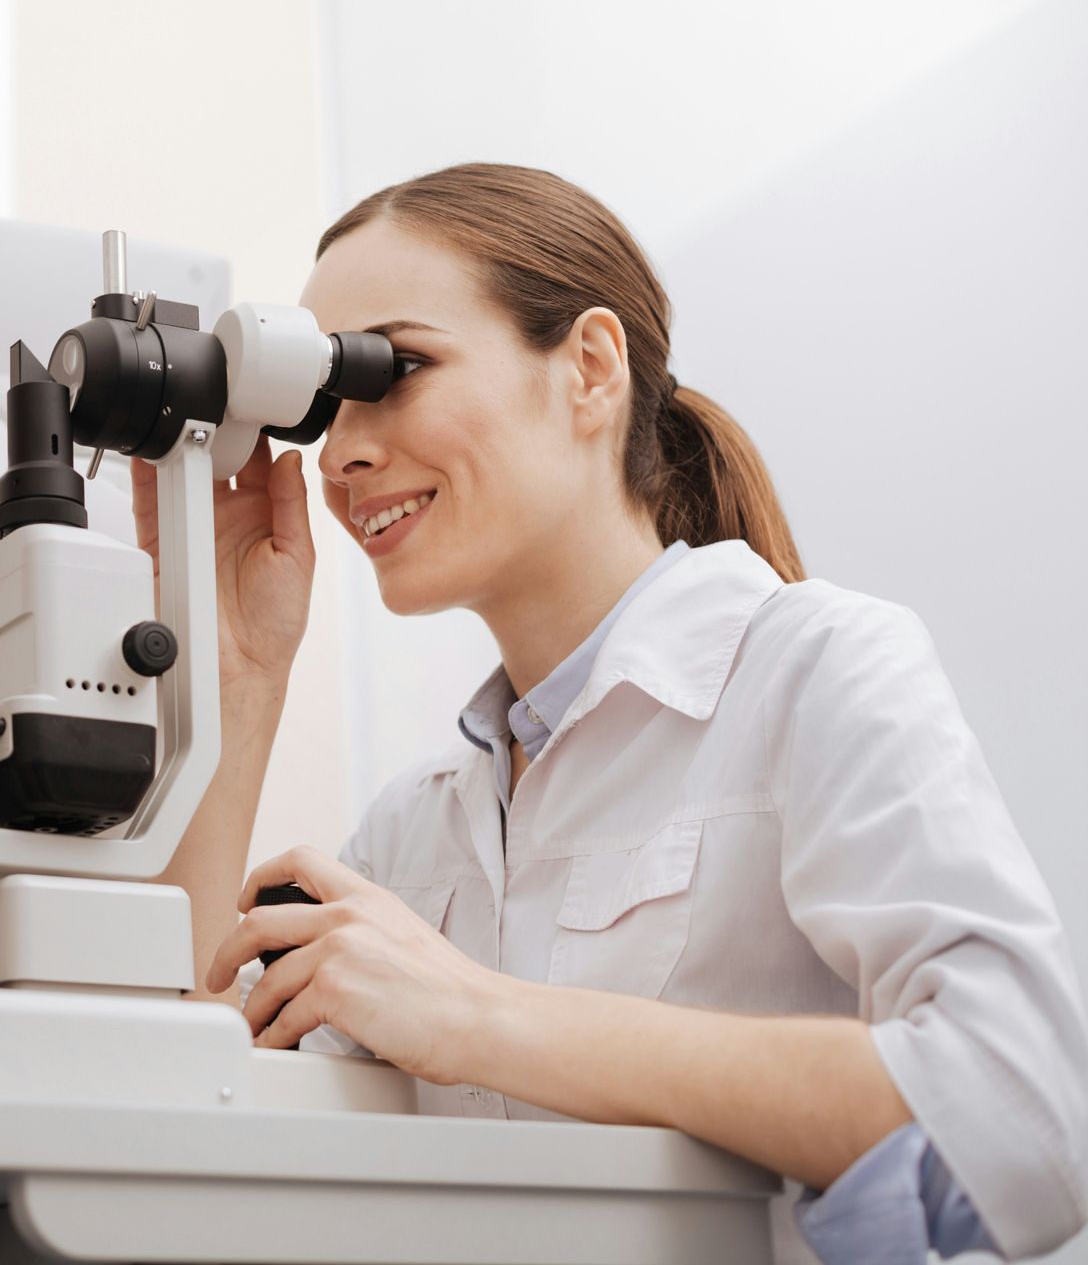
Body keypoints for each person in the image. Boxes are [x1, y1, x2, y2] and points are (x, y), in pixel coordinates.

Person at [149, 163, 1088, 1262]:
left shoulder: (813, 670)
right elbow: (180, 1121)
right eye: (326, 399)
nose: (343, 451)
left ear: (590, 369)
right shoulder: (413, 832)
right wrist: (238, 674)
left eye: (391, 370)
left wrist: (479, 1017)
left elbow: (1026, 1116)